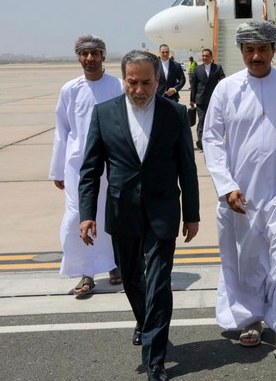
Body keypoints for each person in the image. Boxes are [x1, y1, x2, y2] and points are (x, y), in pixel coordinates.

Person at [202, 21, 276, 366]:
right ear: (242, 51)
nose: (256, 56)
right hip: (241, 194)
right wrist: (226, 186)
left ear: (273, 50)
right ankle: (251, 318)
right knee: (247, 258)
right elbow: (211, 139)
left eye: (263, 49)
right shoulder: (226, 89)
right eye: (250, 50)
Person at [78, 50, 200, 381]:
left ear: (158, 80)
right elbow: (90, 170)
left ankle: (154, 358)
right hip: (123, 210)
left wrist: (192, 214)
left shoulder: (175, 114)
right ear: (124, 80)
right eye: (132, 82)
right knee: (132, 277)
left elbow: (187, 167)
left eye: (146, 82)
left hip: (163, 210)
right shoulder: (104, 113)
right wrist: (86, 214)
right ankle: (146, 322)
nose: (139, 90)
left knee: (159, 283)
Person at [49, 34, 123, 298]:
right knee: (76, 218)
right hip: (77, 166)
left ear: (103, 56)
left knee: (109, 215)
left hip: (111, 164)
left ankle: (114, 264)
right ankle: (85, 272)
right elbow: (62, 130)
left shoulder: (118, 86)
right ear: (79, 57)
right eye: (84, 54)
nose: (90, 58)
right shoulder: (70, 89)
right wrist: (58, 169)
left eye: (94, 53)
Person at [189, 48, 225, 150]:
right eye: (203, 56)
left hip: (214, 100)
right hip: (200, 100)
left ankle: (212, 140)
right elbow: (193, 85)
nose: (204, 57)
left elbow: (223, 81)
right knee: (202, 120)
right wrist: (192, 100)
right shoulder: (197, 69)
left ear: (211, 57)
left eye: (206, 56)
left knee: (213, 121)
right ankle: (201, 143)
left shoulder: (217, 68)